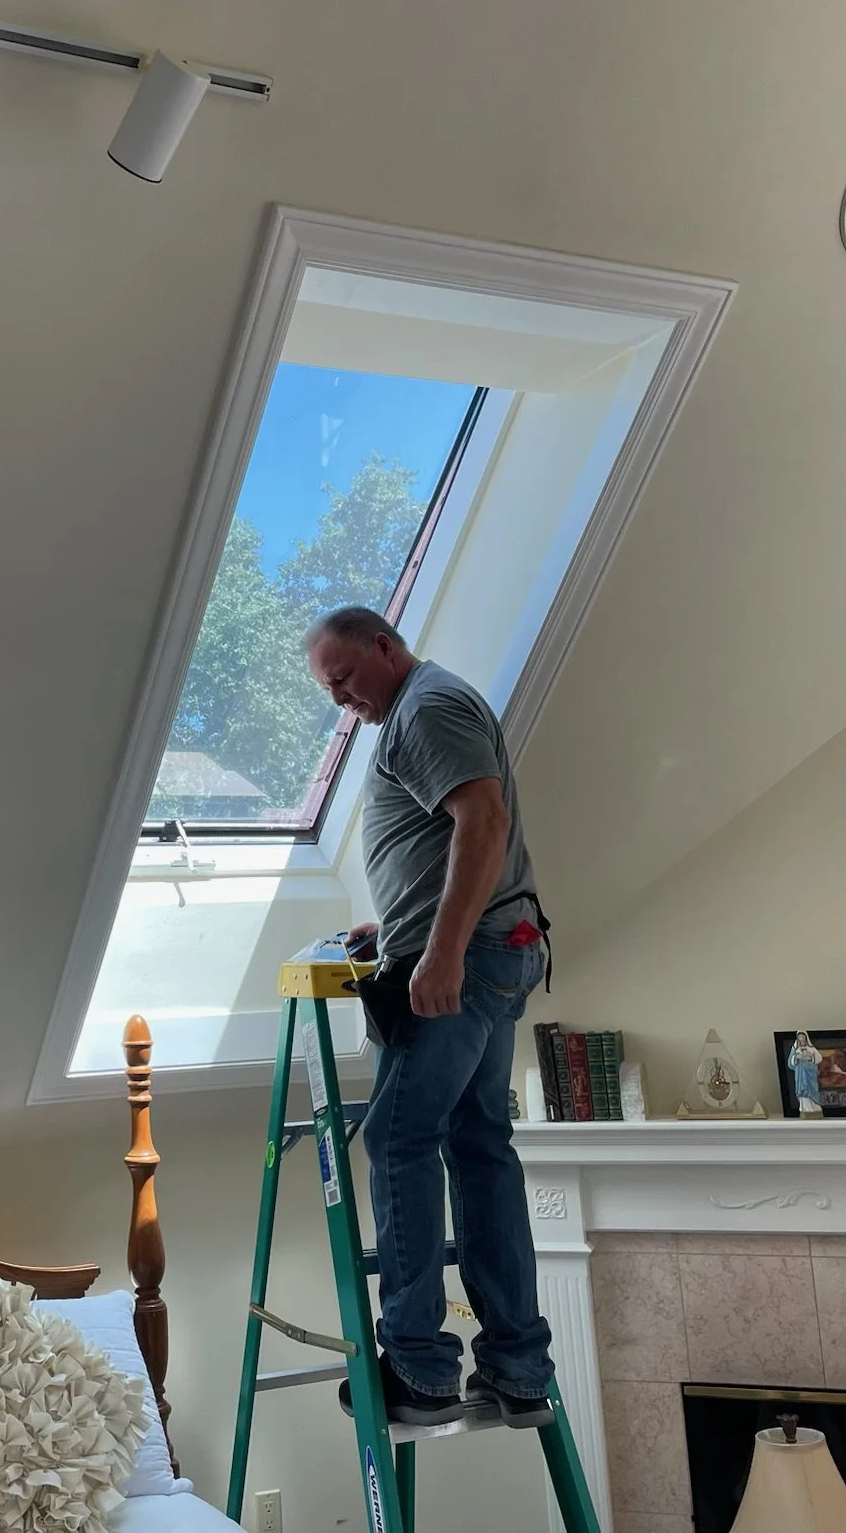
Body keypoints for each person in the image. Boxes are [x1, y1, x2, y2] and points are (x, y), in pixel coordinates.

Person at [304, 605, 553, 1429]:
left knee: (398, 1139)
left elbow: (484, 821)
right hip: (495, 947)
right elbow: (443, 837)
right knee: (481, 1148)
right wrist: (406, 922)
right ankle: (517, 1368)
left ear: (385, 645)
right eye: (329, 690)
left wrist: (440, 952)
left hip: (469, 960)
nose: (343, 700)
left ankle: (419, 1366)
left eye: (345, 679)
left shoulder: (426, 706)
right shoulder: (423, 706)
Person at [789, 1031, 824, 1116]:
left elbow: (819, 1058)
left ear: (806, 1038)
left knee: (812, 1088)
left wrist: (811, 1056)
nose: (801, 1039)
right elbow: (791, 1062)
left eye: (803, 1037)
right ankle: (804, 1108)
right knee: (802, 1089)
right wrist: (797, 1057)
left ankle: (815, 1107)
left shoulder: (811, 1048)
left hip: (810, 1074)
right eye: (800, 1037)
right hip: (801, 1073)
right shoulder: (796, 1050)